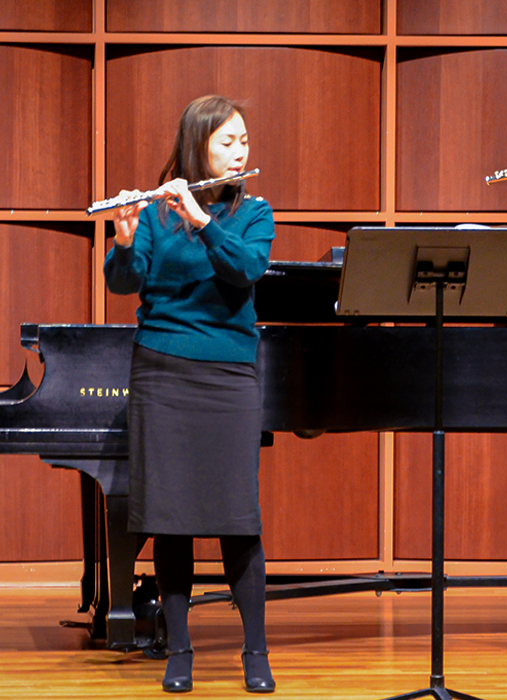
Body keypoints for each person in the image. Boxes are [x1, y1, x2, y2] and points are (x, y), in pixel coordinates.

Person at [103, 95, 277, 694]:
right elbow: (127, 283)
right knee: (171, 518)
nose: (240, 151)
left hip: (227, 377)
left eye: (245, 141)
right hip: (161, 374)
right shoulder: (154, 213)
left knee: (238, 518)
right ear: (197, 144)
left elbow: (245, 271)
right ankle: (179, 650)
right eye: (228, 141)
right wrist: (125, 240)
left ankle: (256, 651)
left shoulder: (254, 212)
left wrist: (203, 224)